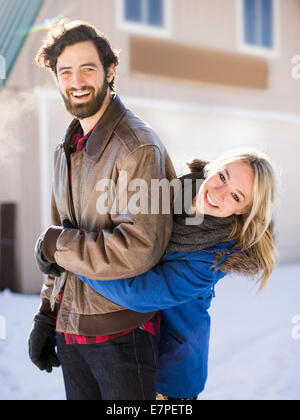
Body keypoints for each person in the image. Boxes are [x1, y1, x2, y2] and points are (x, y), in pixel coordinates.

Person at [28, 19, 176, 400]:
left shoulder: (139, 147)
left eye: (88, 68)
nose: (77, 81)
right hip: (72, 332)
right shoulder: (67, 148)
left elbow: (141, 247)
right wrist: (48, 315)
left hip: (123, 337)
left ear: (110, 71)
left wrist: (57, 245)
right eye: (66, 72)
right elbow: (61, 243)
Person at [74, 149, 278, 399]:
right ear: (213, 168)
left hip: (171, 376)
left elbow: (139, 292)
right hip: (128, 350)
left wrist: (71, 258)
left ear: (242, 211)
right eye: (223, 177)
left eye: (235, 196)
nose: (218, 192)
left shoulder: (214, 257)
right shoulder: (169, 192)